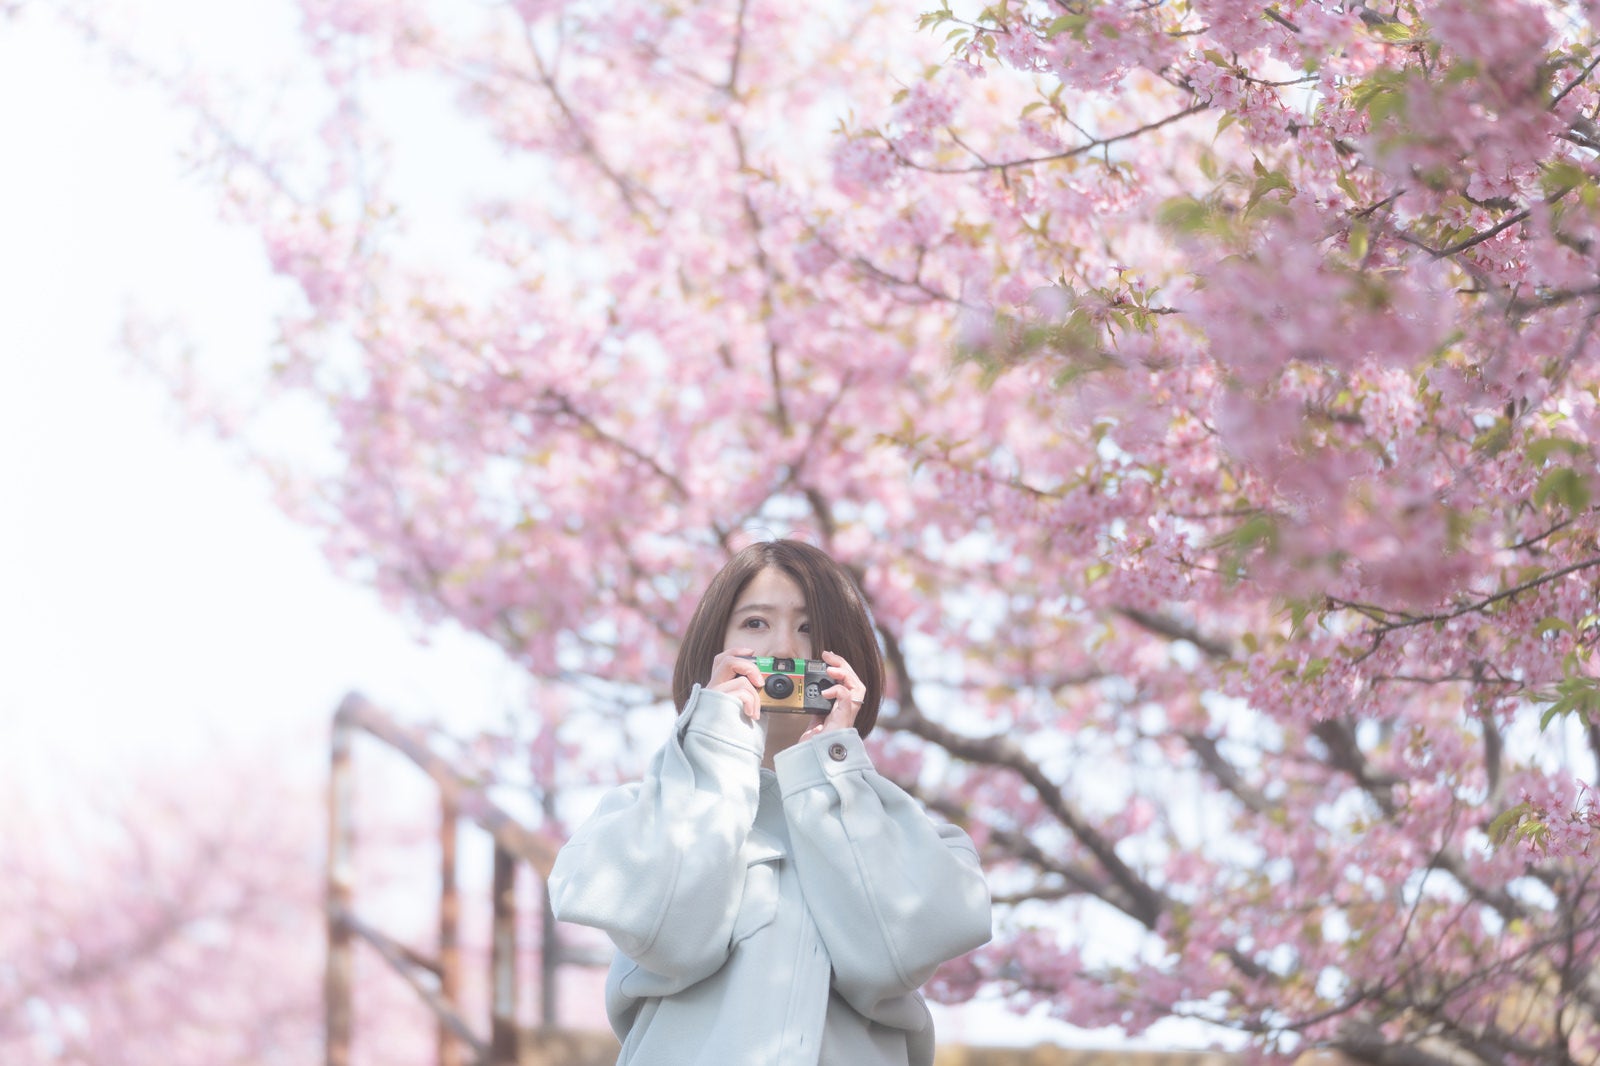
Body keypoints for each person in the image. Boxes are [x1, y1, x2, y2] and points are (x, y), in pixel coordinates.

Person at [548, 538, 992, 1065]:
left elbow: (889, 960)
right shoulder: (636, 817)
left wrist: (834, 770)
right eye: (755, 623)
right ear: (712, 647)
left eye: (809, 628)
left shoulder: (913, 838)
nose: (784, 647)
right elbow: (670, 939)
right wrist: (715, 743)